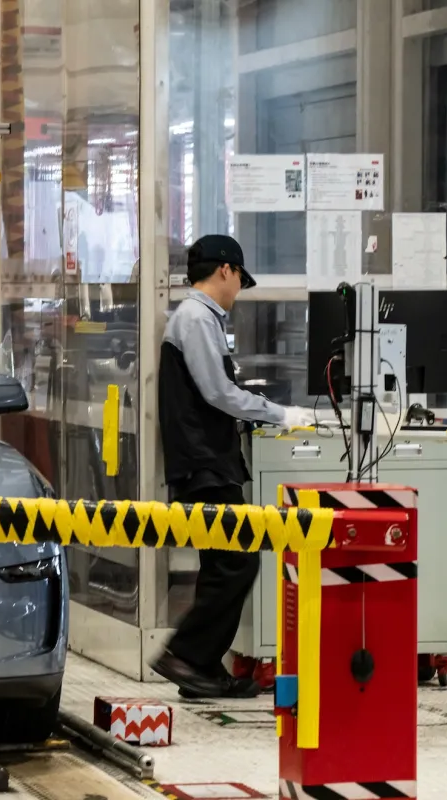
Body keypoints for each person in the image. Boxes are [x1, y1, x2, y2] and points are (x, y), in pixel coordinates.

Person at [150, 234, 315, 698]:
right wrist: (282, 413)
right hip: (204, 463)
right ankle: (186, 656)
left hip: (208, 460)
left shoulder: (198, 318)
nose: (239, 289)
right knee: (237, 562)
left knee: (222, 564)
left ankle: (199, 669)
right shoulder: (198, 318)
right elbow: (219, 393)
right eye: (240, 279)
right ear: (226, 270)